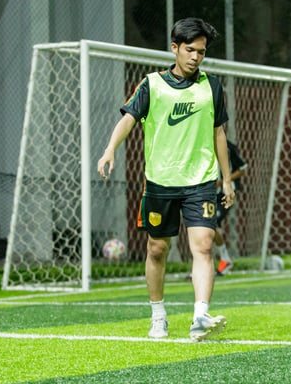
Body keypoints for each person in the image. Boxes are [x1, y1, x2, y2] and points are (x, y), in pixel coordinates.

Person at [97, 17, 234, 341]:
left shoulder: (212, 86)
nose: (196, 57)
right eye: (190, 50)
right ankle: (158, 316)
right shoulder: (151, 84)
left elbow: (219, 135)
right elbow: (129, 119)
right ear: (174, 48)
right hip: (160, 182)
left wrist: (226, 179)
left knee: (203, 246)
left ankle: (200, 316)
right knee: (157, 249)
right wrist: (109, 150)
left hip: (200, 181)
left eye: (201, 52)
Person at [214, 140, 247, 276]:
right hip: (207, 193)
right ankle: (219, 261)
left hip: (225, 192)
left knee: (210, 224)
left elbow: (242, 169)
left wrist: (223, 182)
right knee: (207, 227)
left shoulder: (227, 147)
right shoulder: (198, 143)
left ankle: (224, 259)